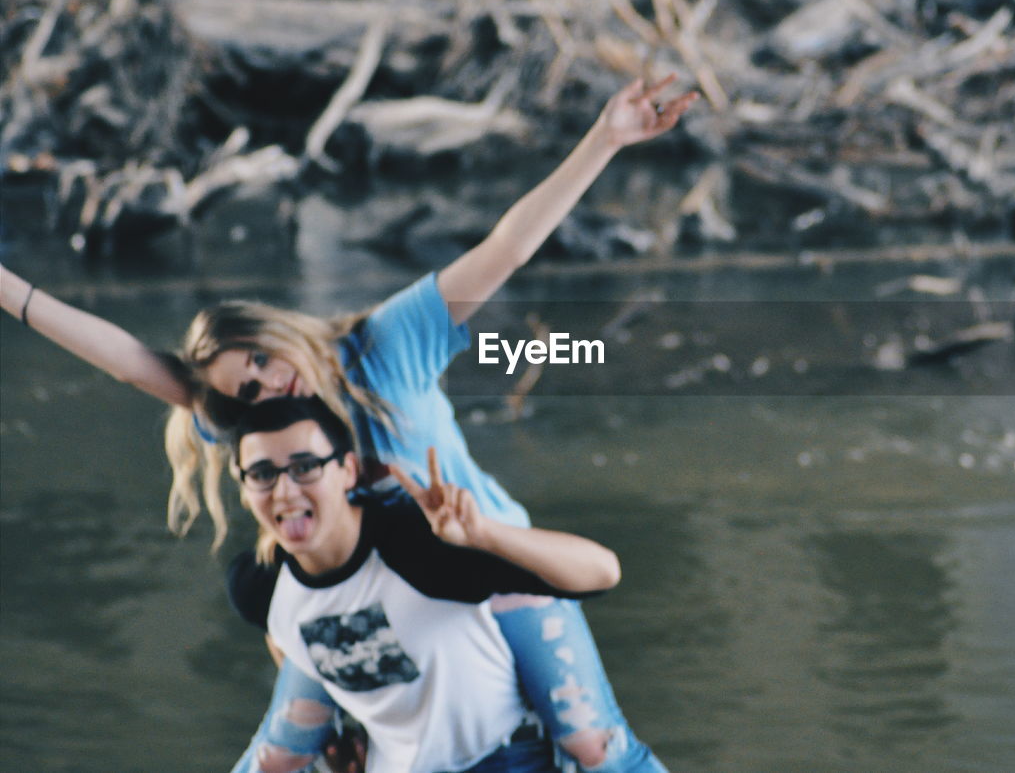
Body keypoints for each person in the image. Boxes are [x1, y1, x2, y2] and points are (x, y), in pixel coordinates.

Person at [0, 76, 697, 773]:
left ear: (275, 329)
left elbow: (506, 249)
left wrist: (606, 137)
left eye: (263, 361)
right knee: (289, 754)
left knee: (591, 748)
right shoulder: (266, 432)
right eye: (248, 391)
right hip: (371, 599)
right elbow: (128, 361)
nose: (271, 385)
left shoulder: (384, 348)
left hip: (486, 561)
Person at [225, 395, 621, 773]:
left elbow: (601, 572)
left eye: (305, 467)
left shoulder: (417, 547)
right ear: (243, 486)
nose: (285, 491)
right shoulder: (258, 586)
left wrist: (483, 534)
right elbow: (293, 647)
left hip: (504, 759)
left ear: (346, 471)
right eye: (262, 474)